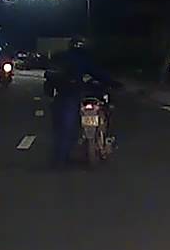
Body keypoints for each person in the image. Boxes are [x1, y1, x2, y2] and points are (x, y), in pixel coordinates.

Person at [47, 36, 119, 168]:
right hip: (72, 95)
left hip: (61, 96)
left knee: (61, 127)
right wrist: (114, 83)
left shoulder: (60, 57)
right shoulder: (82, 59)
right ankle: (61, 158)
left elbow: (49, 77)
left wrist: (50, 93)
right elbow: (99, 74)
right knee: (68, 126)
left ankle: (60, 157)